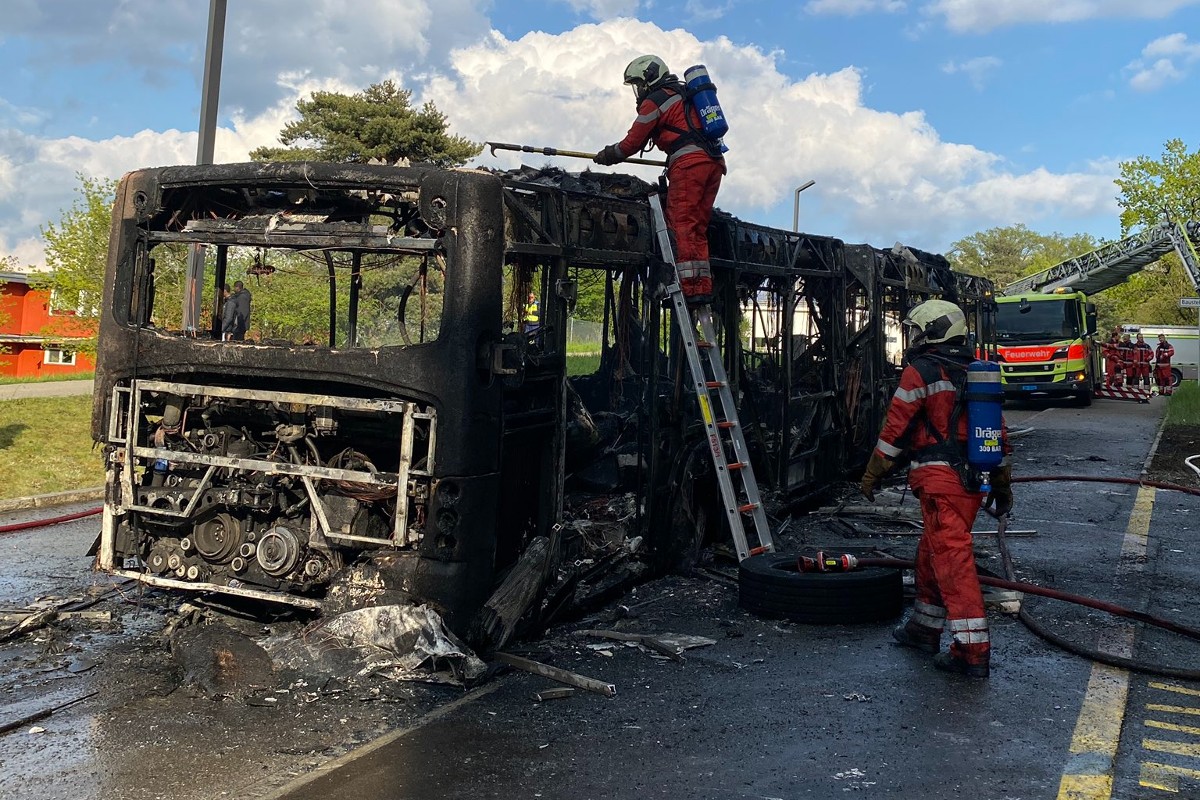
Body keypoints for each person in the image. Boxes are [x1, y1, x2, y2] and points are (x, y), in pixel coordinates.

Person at [859, 299, 1012, 679]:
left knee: (951, 560)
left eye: (916, 329)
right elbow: (998, 434)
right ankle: (923, 629)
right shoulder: (977, 374)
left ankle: (972, 651)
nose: (912, 337)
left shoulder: (921, 371)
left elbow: (895, 430)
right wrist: (1002, 484)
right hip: (973, 481)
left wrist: (873, 474)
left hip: (940, 481)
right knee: (932, 549)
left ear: (932, 330)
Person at [594, 54, 726, 306]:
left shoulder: (656, 100)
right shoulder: (683, 95)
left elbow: (631, 143)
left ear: (648, 78)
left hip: (689, 166)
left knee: (681, 224)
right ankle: (701, 286)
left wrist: (608, 155)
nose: (638, 90)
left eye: (637, 84)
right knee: (698, 226)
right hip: (713, 163)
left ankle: (688, 288)